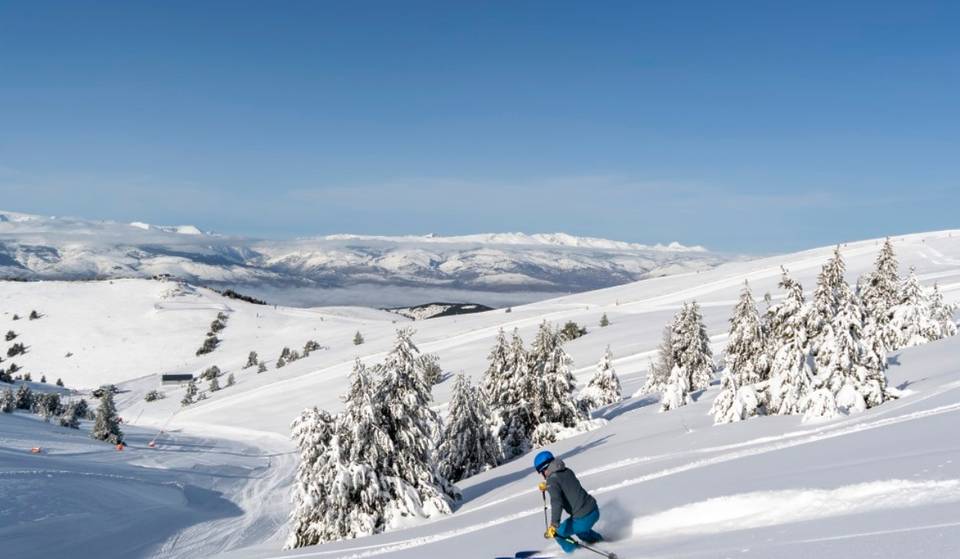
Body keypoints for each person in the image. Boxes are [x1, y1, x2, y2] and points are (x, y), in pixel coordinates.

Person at [535, 450, 603, 553]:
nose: (542, 475)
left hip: (583, 519)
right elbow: (564, 484)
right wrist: (548, 487)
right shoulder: (566, 470)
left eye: (541, 473)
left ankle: (575, 554)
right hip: (594, 510)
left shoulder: (552, 481)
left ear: (544, 469)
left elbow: (557, 502)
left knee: (558, 533)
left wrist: (554, 525)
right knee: (581, 531)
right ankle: (601, 542)